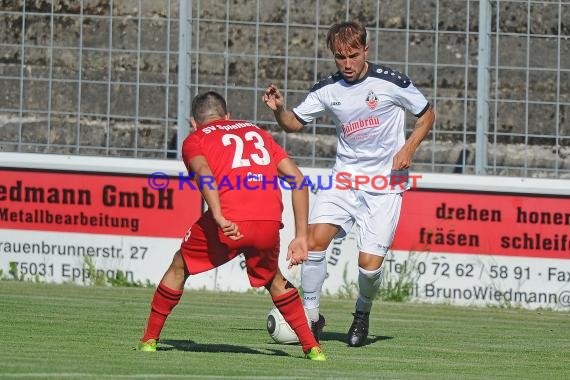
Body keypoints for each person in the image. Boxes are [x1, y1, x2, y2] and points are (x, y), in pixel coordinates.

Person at [262, 21, 435, 347]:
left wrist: (408, 147)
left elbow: (426, 115)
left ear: (365, 50)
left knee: (368, 267)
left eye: (353, 55)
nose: (347, 63)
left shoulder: (390, 82)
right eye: (340, 57)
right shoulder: (327, 89)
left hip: (385, 185)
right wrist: (279, 109)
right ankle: (311, 318)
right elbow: (293, 124)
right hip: (343, 180)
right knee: (314, 242)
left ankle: (362, 312)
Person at [136, 91, 326, 361]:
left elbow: (204, 173)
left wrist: (218, 215)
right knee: (273, 278)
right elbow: (298, 180)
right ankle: (313, 347)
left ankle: (148, 340)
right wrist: (301, 237)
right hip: (268, 221)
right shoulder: (257, 132)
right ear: (227, 117)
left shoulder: (196, 139)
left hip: (230, 220)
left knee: (180, 265)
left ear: (194, 122)